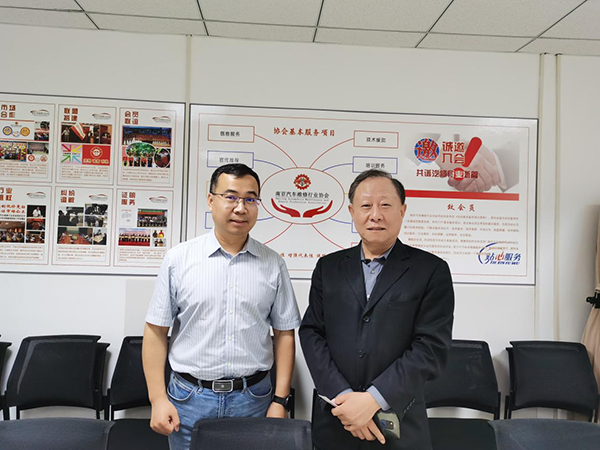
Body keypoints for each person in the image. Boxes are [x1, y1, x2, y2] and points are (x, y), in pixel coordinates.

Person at [143, 163, 301, 450]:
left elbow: (284, 334)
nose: (240, 208)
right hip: (189, 399)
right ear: (211, 199)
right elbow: (155, 331)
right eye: (231, 197)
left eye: (250, 199)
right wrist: (157, 399)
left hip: (253, 399)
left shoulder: (274, 264)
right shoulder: (179, 260)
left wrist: (280, 400)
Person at [299, 169, 455, 450]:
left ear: (402, 210)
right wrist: (343, 397)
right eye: (366, 205)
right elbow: (312, 333)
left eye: (385, 205)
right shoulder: (328, 267)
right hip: (336, 419)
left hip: (400, 422)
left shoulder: (431, 270)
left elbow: (431, 346)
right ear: (352, 212)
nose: (375, 215)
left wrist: (373, 399)